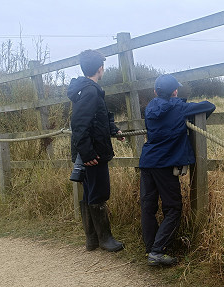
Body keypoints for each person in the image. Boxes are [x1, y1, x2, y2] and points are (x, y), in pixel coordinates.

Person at [139, 74, 215, 266]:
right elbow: (209, 105)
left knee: (148, 207)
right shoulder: (179, 107)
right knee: (173, 208)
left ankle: (151, 247)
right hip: (164, 164)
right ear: (174, 91)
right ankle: (157, 251)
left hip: (147, 162)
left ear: (156, 92)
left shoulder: (149, 108)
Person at [68, 49, 125, 252]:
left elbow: (97, 118)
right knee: (99, 191)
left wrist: (113, 129)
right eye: (103, 67)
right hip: (93, 153)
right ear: (100, 69)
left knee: (90, 191)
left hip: (89, 151)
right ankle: (105, 239)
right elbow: (80, 124)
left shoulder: (85, 89)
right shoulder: (91, 90)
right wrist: (89, 153)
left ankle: (92, 240)